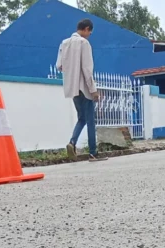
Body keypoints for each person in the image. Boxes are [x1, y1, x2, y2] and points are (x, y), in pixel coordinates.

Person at [56, 18, 107, 162]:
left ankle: (72, 142)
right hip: (84, 87)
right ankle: (93, 153)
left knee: (81, 118)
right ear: (86, 29)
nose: (89, 34)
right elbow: (87, 69)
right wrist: (93, 89)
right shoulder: (84, 43)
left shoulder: (64, 43)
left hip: (72, 88)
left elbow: (59, 66)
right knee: (90, 120)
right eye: (90, 31)